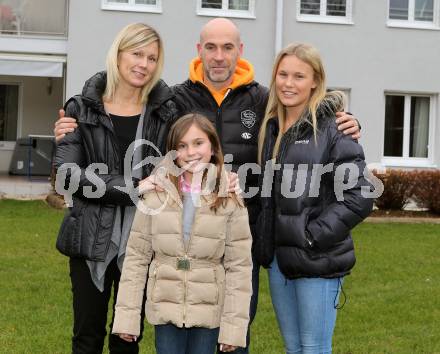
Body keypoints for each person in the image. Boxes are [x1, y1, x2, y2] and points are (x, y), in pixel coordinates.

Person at [53, 18, 361, 354]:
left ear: (239, 51)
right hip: (174, 239)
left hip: (241, 238)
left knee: (234, 334)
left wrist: (342, 116)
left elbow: (302, 109)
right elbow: (147, 142)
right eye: (210, 47)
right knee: (149, 333)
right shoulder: (176, 100)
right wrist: (74, 129)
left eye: (227, 47)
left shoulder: (261, 100)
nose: (218, 56)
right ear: (199, 51)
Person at [53, 23, 177, 354]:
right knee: (87, 337)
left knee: (128, 338)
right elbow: (67, 174)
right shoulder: (82, 107)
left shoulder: (166, 110)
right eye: (136, 53)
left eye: (152, 57)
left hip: (142, 239)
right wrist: (134, 187)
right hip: (89, 235)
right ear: (118, 54)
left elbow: (195, 148)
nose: (144, 64)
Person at [256, 43, 374, 354]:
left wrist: (312, 236)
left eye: (299, 76)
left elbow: (359, 195)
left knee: (314, 348)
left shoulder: (334, 128)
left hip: (316, 259)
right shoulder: (271, 127)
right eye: (283, 74)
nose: (288, 83)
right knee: (294, 348)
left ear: (315, 81)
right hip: (280, 261)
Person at [111, 113, 253, 354]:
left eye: (198, 143)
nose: (191, 152)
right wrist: (127, 318)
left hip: (209, 309)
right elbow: (136, 258)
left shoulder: (228, 195)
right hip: (166, 306)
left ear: (213, 147)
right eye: (182, 146)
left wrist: (233, 329)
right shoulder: (156, 192)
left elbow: (239, 266)